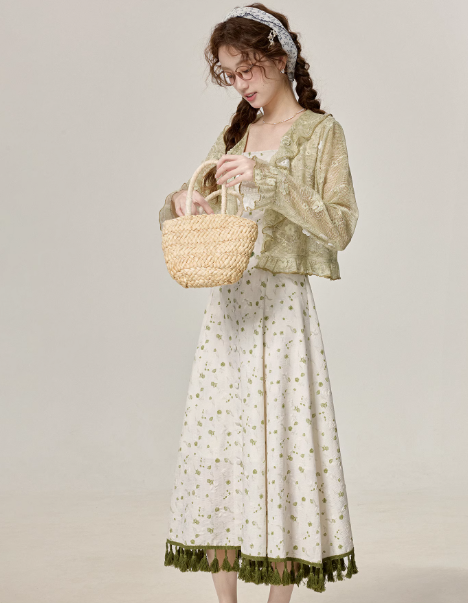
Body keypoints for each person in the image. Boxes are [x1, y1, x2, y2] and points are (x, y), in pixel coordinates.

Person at [159, 4, 359, 600]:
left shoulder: (321, 133)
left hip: (282, 310)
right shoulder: (235, 135)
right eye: (230, 74)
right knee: (219, 451)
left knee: (281, 451)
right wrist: (184, 200)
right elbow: (196, 198)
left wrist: (267, 178)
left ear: (281, 58)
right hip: (228, 308)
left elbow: (340, 225)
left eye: (248, 68)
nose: (241, 83)